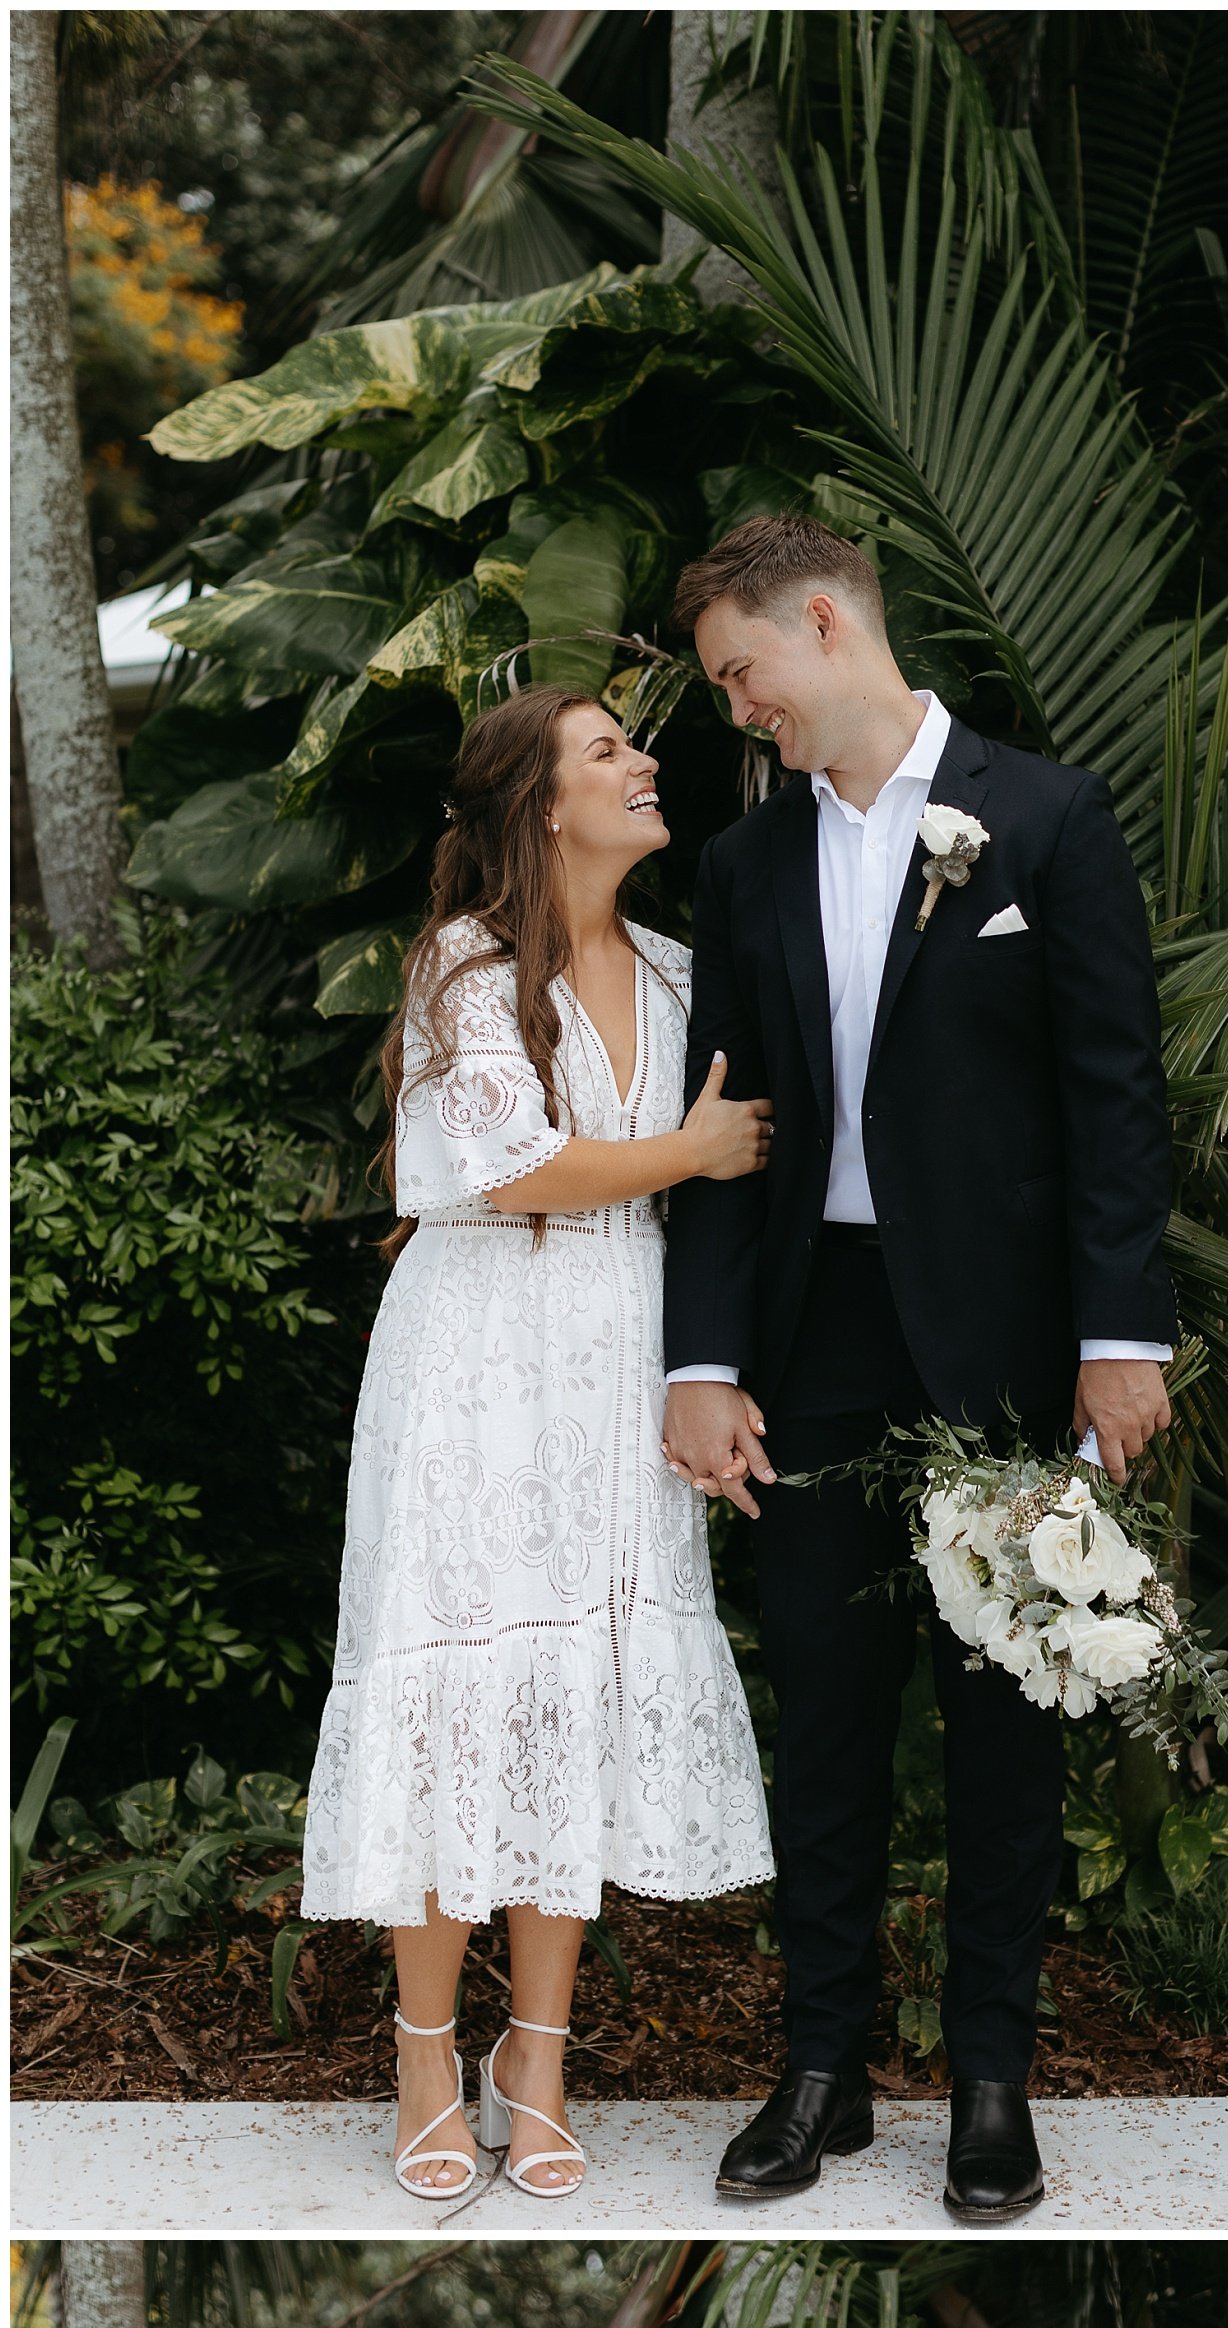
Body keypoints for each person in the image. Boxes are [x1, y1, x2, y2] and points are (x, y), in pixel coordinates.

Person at [661, 513, 1177, 2223]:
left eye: (745, 673)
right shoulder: (743, 871)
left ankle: (990, 2079)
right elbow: (731, 1142)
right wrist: (707, 1362)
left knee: (1002, 1721)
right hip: (817, 1341)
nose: (742, 713)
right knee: (825, 1706)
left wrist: (1121, 1342)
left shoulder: (1046, 818)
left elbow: (1115, 1102)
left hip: (1013, 1347)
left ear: (823, 622)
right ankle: (821, 2068)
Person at [300, 688, 773, 2204]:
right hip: (477, 1359)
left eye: (637, 744)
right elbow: (518, 1172)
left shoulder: (685, 969)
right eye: (608, 751)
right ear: (539, 804)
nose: (645, 766)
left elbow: (729, 1192)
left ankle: (541, 2061)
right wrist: (691, 1150)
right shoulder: (465, 966)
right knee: (460, 1690)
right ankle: (428, 2054)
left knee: (566, 1696)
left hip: (619, 1354)